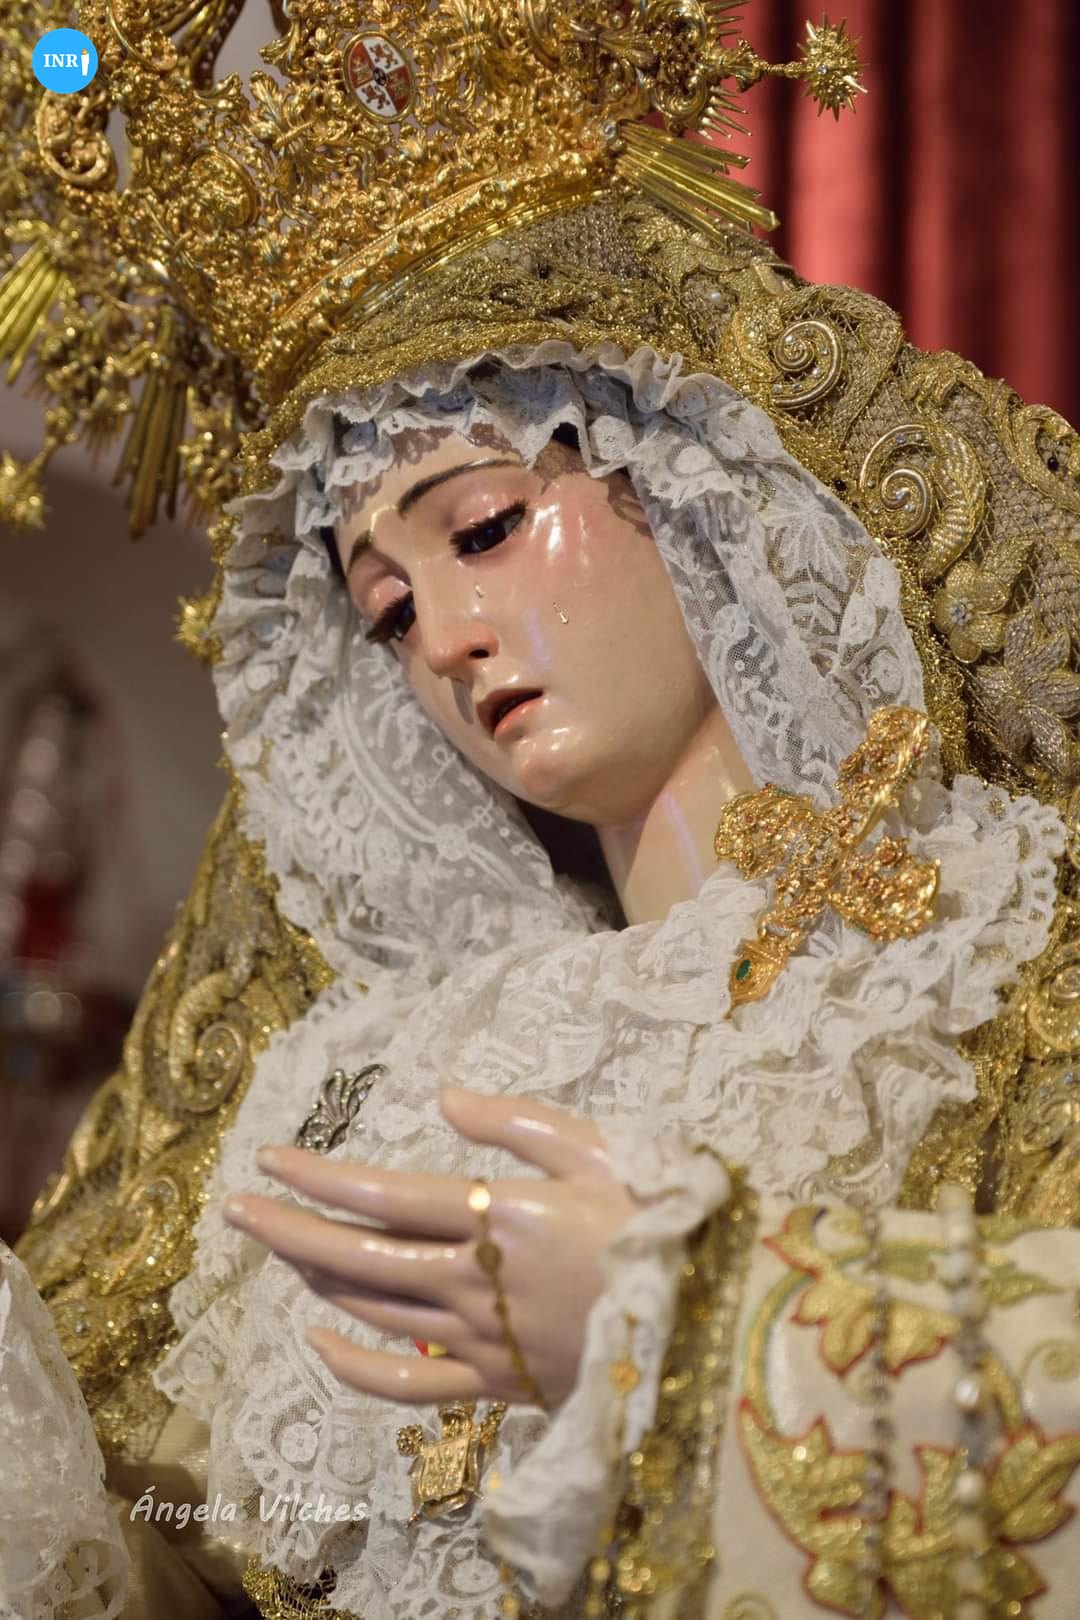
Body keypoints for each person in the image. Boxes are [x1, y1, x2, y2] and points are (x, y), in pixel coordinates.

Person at [3, 4, 1080, 1619]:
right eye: (385, 609)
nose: (442, 636)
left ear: (685, 479)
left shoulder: (1001, 958)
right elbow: (195, 1541)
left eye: (487, 528)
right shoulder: (364, 1071)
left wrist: (693, 1331)